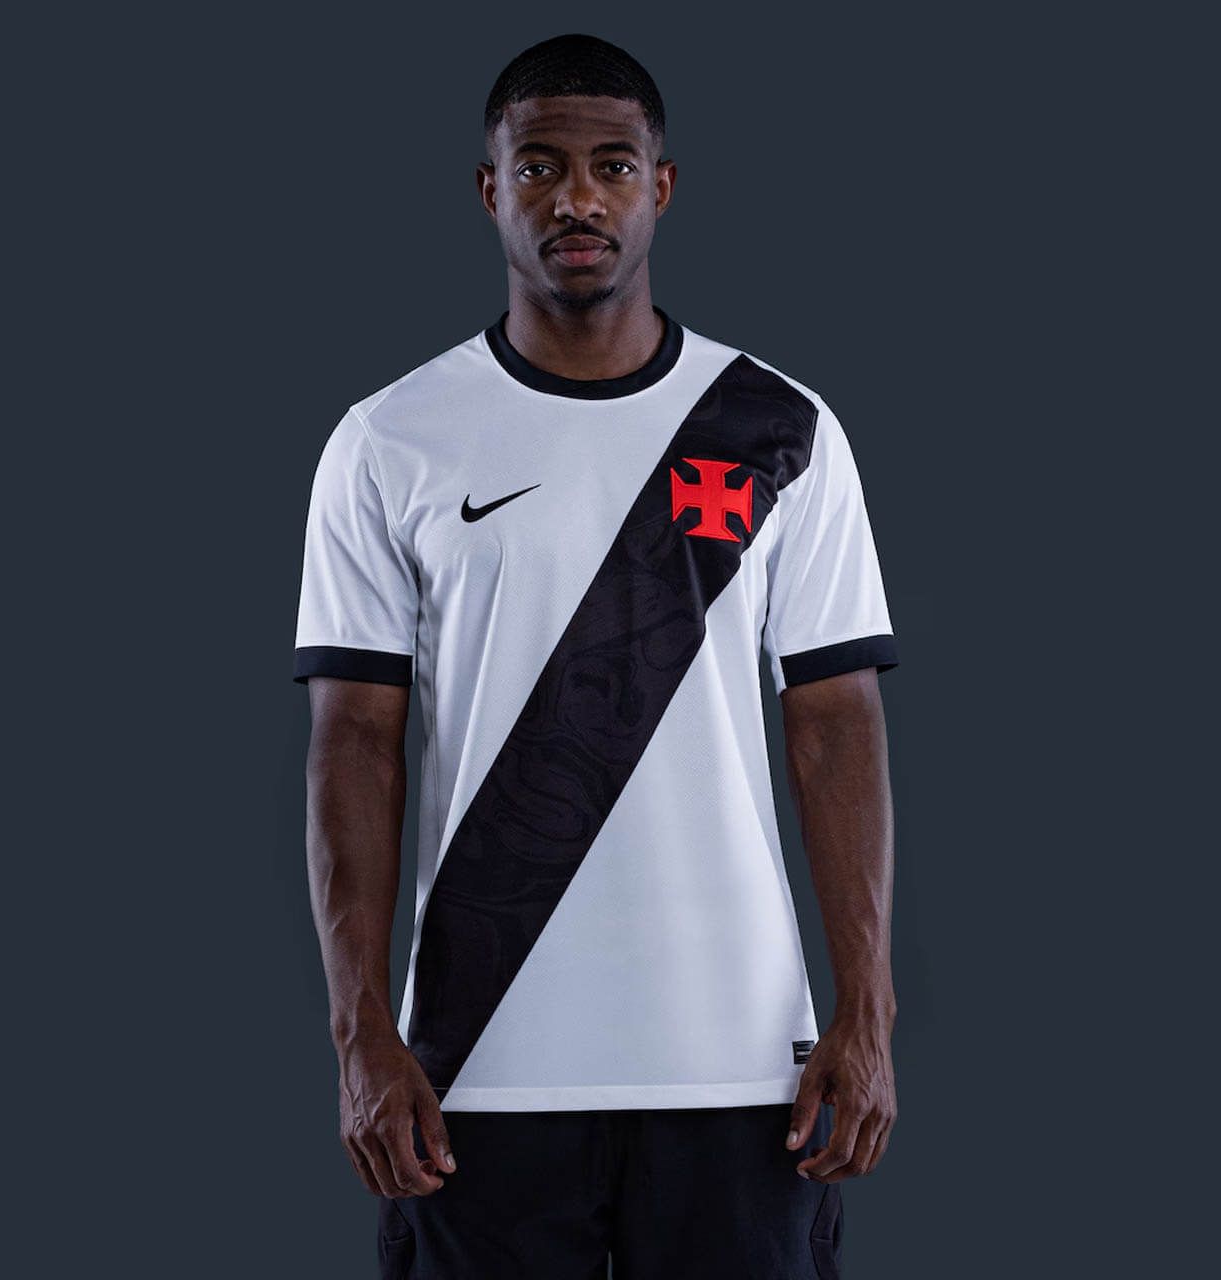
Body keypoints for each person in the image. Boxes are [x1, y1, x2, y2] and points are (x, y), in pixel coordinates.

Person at [292, 31, 900, 1280]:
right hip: (470, 1075)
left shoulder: (776, 427)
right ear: (489, 189)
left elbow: (833, 724)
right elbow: (353, 741)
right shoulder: (390, 439)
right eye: (540, 168)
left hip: (744, 1069)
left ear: (659, 187)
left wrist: (869, 1007)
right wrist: (359, 1035)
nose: (576, 198)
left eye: (612, 166)